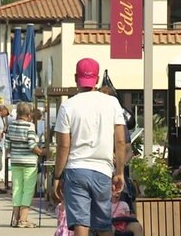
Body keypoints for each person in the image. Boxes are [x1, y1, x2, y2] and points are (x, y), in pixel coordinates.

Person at [52, 57, 126, 236]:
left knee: (81, 224)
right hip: (102, 170)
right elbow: (121, 141)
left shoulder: (68, 106)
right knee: (103, 225)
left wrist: (57, 176)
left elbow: (63, 146)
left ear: (76, 77)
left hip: (76, 169)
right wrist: (120, 172)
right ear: (97, 78)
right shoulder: (112, 103)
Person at [5, 102, 46, 228]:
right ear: (28, 114)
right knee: (28, 190)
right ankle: (23, 219)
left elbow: (7, 145)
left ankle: (15, 219)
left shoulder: (11, 126)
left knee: (16, 189)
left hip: (15, 161)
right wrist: (42, 152)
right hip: (28, 162)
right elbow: (32, 145)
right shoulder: (30, 126)